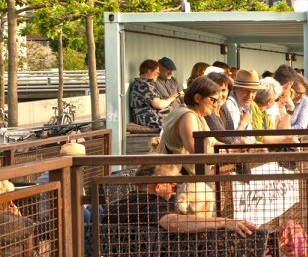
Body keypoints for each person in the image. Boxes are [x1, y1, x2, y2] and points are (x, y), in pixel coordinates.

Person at [104, 163, 256, 236]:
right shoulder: (151, 205)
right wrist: (223, 222)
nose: (174, 189)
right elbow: (173, 222)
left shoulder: (114, 206)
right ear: (158, 187)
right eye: (172, 185)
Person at [156, 76, 223, 157]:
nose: (215, 105)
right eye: (212, 100)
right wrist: (229, 151)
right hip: (174, 169)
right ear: (198, 98)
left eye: (217, 101)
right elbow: (195, 149)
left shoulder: (197, 114)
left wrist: (234, 148)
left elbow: (213, 142)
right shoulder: (188, 116)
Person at [130, 59, 181, 130]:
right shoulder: (142, 84)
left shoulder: (148, 83)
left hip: (157, 117)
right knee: (182, 124)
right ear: (149, 71)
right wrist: (169, 99)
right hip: (149, 118)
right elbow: (158, 104)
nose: (158, 75)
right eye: (157, 72)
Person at [222, 68, 263, 142]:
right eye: (246, 91)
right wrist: (243, 123)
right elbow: (234, 141)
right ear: (235, 89)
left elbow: (250, 137)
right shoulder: (229, 104)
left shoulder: (247, 104)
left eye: (254, 91)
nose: (250, 96)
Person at [251, 77, 296, 143]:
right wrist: (285, 139)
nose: (276, 102)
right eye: (275, 99)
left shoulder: (263, 111)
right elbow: (259, 138)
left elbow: (271, 132)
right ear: (269, 101)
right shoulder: (254, 108)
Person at [203, 71, 238, 144]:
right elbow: (225, 139)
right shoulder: (207, 111)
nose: (220, 95)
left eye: (223, 90)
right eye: (215, 90)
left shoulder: (223, 107)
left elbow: (232, 133)